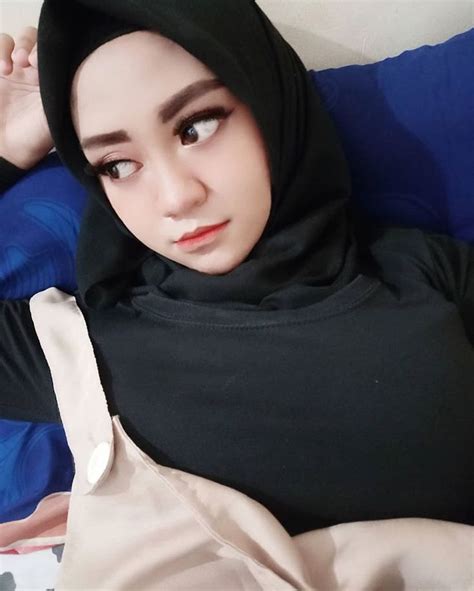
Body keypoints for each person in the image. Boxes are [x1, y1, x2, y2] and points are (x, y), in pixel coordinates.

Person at [0, 1, 472, 588]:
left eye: (195, 127)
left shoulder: (427, 272)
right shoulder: (80, 348)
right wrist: (6, 149)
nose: (176, 197)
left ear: (270, 100)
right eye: (117, 165)